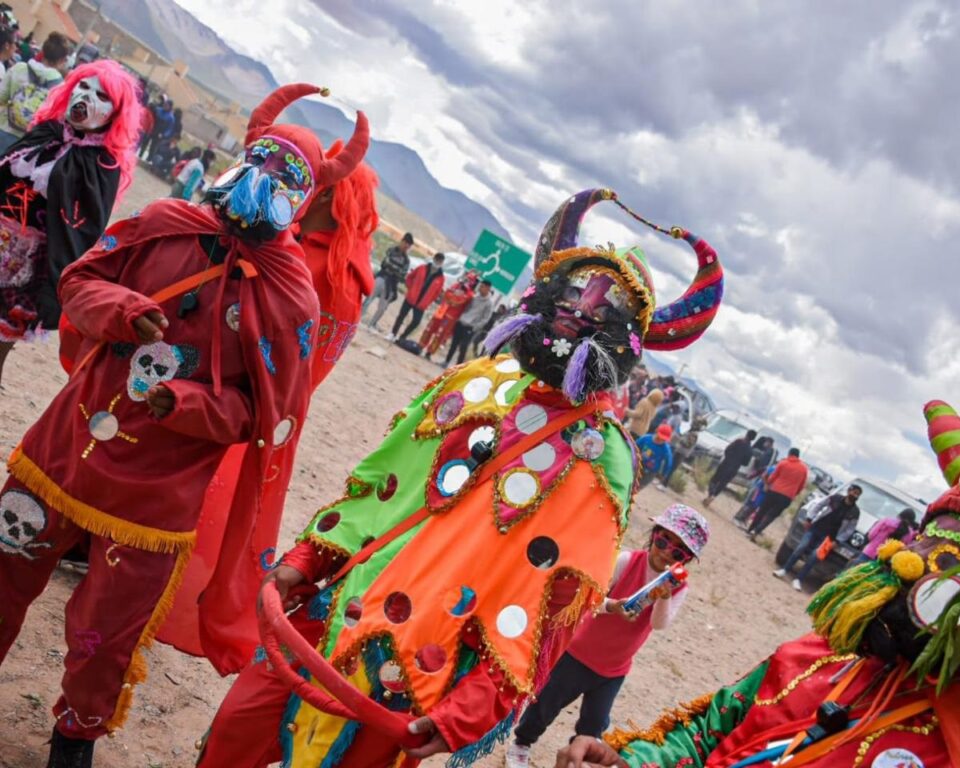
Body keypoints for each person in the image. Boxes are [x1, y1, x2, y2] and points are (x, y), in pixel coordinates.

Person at [195, 186, 723, 768]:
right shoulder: (481, 378)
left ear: (626, 338)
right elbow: (381, 484)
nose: (582, 307)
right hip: (337, 607)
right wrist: (309, 559)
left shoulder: (606, 459)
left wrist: (469, 710)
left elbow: (554, 603)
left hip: (424, 664)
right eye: (575, 290)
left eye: (606, 305)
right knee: (231, 737)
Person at [0, 83, 369, 767]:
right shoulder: (165, 221)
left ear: (308, 195)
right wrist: (119, 308)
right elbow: (81, 278)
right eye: (261, 158)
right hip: (65, 448)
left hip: (156, 496)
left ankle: (74, 735)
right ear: (240, 155)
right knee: (3, 571)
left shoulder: (292, 299)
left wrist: (190, 404)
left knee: (107, 633)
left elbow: (266, 417)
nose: (265, 179)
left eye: (287, 174)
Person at [557, 400, 960, 768]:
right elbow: (713, 729)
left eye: (949, 566)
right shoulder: (819, 658)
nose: (906, 564)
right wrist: (634, 760)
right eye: (923, 543)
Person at [156, 135, 380, 657]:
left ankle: (158, 589)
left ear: (326, 196)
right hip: (266, 403)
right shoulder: (344, 270)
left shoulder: (313, 264)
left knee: (191, 496)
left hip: (240, 396)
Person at [505, 505, 707, 768]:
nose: (666, 552)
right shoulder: (627, 561)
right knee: (546, 705)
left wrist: (665, 597)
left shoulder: (677, 588)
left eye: (678, 551)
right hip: (578, 653)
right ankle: (521, 743)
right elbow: (592, 598)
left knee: (594, 724)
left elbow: (659, 624)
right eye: (662, 540)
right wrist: (613, 606)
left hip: (614, 668)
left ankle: (577, 759)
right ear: (653, 535)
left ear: (686, 560)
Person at [0, 60, 142, 385]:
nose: (87, 96)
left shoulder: (102, 165)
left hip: (27, 267)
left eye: (101, 96)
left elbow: (81, 232)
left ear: (114, 114)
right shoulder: (47, 131)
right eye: (83, 86)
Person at [773, 484, 862, 590]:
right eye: (854, 492)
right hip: (816, 528)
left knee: (815, 557)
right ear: (849, 491)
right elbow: (819, 505)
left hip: (830, 539)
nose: (855, 495)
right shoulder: (835, 498)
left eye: (857, 494)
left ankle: (799, 579)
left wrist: (838, 541)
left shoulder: (855, 512)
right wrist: (809, 518)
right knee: (801, 547)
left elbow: (849, 530)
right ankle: (784, 570)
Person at [0, 31, 70, 152]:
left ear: (42, 52)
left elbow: (1, 97)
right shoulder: (61, 88)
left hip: (3, 128)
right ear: (63, 60)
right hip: (26, 144)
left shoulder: (19, 68)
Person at [746, 447, 809, 539]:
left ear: (789, 454)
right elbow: (802, 486)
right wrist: (794, 493)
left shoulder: (783, 463)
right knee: (772, 515)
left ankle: (750, 529)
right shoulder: (804, 469)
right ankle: (757, 531)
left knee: (762, 511)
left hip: (774, 491)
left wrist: (768, 484)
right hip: (787, 497)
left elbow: (773, 477)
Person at [418, 270, 478, 361]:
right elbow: (446, 294)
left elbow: (458, 301)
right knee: (429, 329)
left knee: (440, 335)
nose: (465, 280)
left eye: (468, 279)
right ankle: (420, 346)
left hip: (450, 317)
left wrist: (453, 297)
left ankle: (429, 352)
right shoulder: (456, 286)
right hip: (441, 311)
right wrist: (453, 297)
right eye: (465, 277)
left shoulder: (470, 294)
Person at [389, 250, 445, 342]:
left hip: (422, 304)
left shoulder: (441, 278)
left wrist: (428, 302)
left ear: (442, 263)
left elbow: (437, 293)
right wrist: (411, 289)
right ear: (434, 259)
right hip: (411, 297)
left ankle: (403, 337)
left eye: (440, 261)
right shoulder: (422, 268)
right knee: (401, 315)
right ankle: (393, 334)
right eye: (437, 260)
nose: (437, 263)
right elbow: (410, 277)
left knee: (416, 321)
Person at [362, 231, 412, 330]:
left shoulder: (406, 260)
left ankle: (372, 324)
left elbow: (402, 275)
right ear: (402, 241)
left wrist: (393, 269)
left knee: (382, 307)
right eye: (405, 242)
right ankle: (359, 317)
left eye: (408, 245)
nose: (406, 246)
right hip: (382, 277)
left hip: (392, 284)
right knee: (369, 297)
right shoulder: (392, 250)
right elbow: (385, 263)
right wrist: (395, 269)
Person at [444, 277, 493, 366]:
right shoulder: (474, 297)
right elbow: (466, 308)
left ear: (487, 288)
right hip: (461, 322)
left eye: (482, 286)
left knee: (463, 347)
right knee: (453, 344)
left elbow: (486, 318)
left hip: (471, 327)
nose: (480, 288)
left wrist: (475, 327)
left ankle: (458, 367)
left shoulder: (489, 303)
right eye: (480, 286)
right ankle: (446, 362)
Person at [848, 507, 918, 567]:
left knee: (851, 574)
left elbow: (871, 535)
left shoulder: (886, 521)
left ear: (900, 514)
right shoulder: (909, 533)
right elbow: (902, 549)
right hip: (883, 562)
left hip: (869, 553)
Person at [702, 429, 756, 504]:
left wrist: (729, 457)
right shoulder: (750, 450)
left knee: (714, 480)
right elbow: (745, 463)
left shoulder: (739, 441)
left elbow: (727, 449)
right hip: (734, 469)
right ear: (753, 439)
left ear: (747, 434)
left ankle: (710, 494)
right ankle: (713, 496)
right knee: (723, 483)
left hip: (726, 464)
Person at [636, 423, 675, 488]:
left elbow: (668, 463)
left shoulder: (666, 449)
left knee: (636, 489)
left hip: (649, 473)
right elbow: (634, 446)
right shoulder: (646, 438)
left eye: (663, 439)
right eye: (659, 437)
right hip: (637, 465)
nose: (661, 440)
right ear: (656, 431)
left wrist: (663, 474)